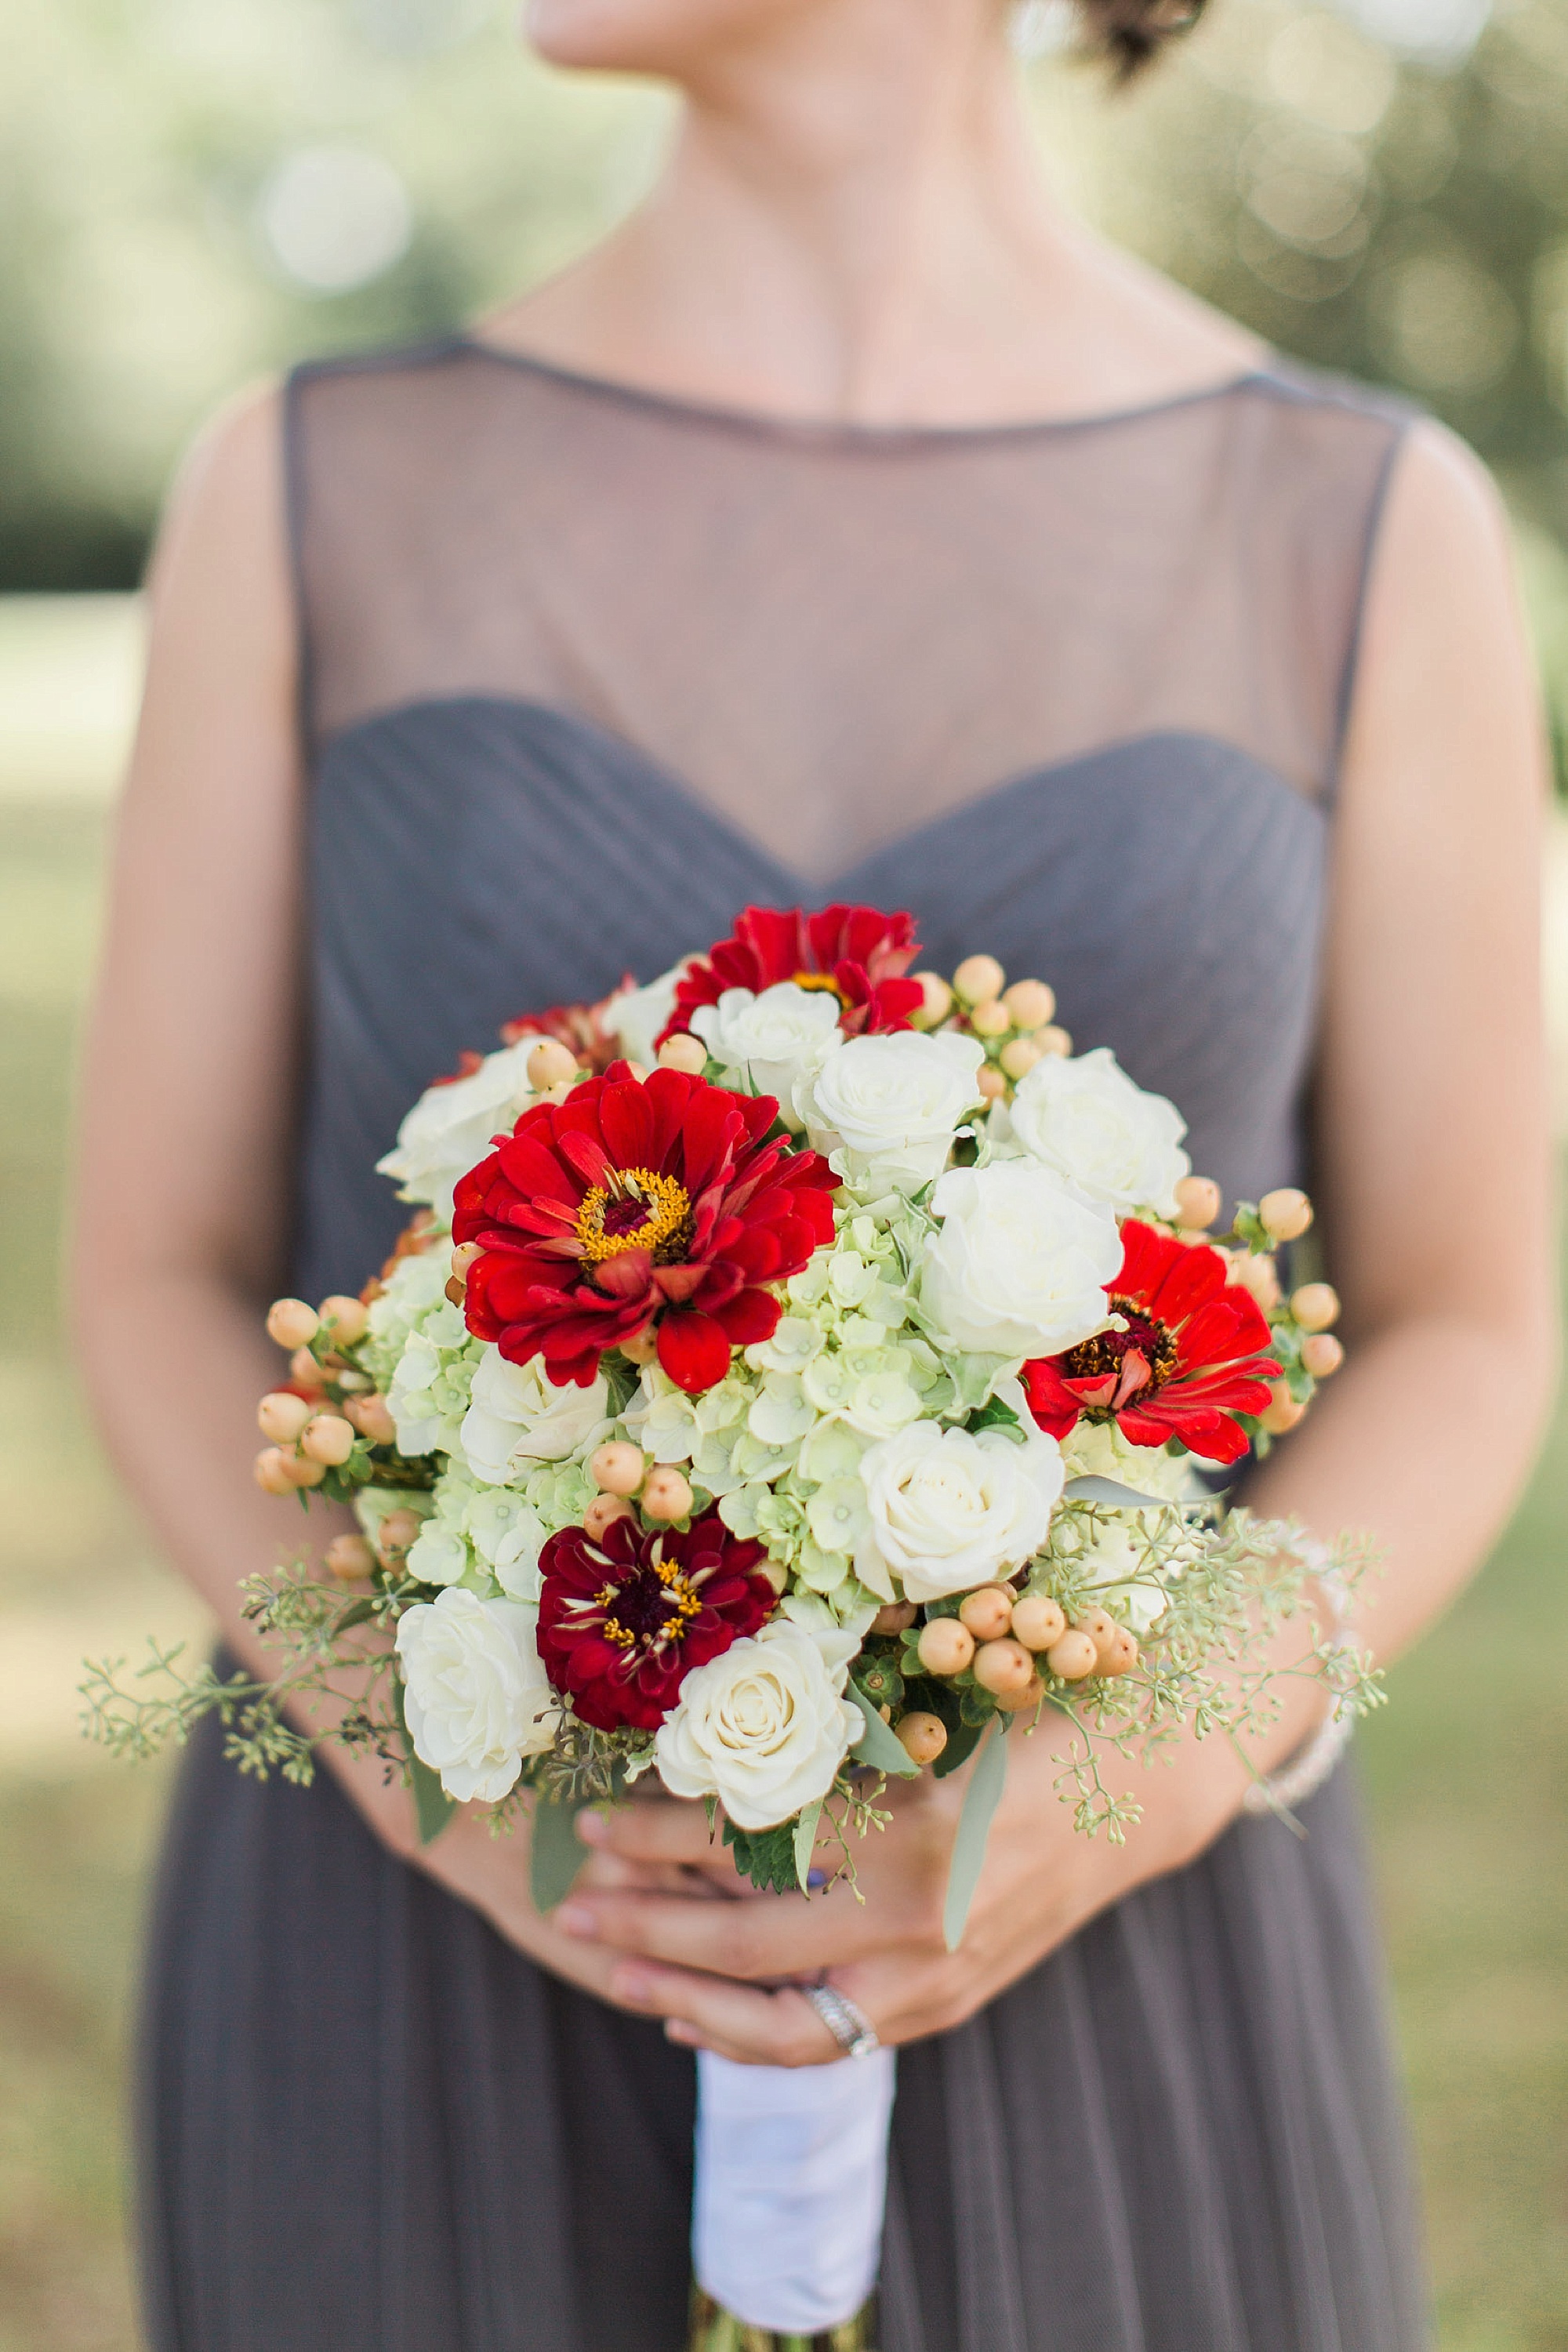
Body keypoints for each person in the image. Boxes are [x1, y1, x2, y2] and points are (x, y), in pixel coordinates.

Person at [72, 0, 1555, 2343]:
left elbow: (1475, 1318)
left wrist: (1120, 1780)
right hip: (424, 1978)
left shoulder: (1359, 524)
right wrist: (466, 1796)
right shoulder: (307, 487)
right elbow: (155, 1271)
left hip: (1115, 1964)